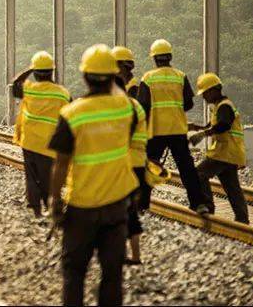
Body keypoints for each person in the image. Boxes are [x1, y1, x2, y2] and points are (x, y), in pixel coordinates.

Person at [48, 44, 141, 307]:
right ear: (114, 76)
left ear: (85, 76)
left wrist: (56, 204)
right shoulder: (127, 109)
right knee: (112, 274)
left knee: (74, 272)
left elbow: (61, 165)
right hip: (116, 206)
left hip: (81, 207)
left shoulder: (72, 114)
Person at [137, 39, 208, 214]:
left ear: (154, 58)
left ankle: (141, 205)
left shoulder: (148, 78)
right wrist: (174, 109)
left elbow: (142, 106)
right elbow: (188, 104)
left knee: (150, 168)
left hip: (156, 130)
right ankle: (198, 204)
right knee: (186, 169)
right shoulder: (180, 76)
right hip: (177, 130)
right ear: (170, 57)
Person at [10, 51, 71, 218]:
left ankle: (36, 210)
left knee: (32, 176)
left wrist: (29, 69)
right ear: (52, 72)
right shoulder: (62, 93)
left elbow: (15, 84)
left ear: (35, 73)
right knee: (48, 177)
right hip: (50, 143)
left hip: (29, 141)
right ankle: (49, 207)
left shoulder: (29, 89)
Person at [189, 73, 249, 224]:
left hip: (224, 152)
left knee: (198, 174)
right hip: (230, 153)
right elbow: (214, 125)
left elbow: (223, 125)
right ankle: (242, 220)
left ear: (215, 90)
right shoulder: (220, 106)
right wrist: (198, 128)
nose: (204, 97)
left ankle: (208, 207)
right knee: (232, 188)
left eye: (205, 93)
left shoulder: (224, 107)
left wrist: (204, 134)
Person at [113, 45, 149, 265]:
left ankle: (129, 254)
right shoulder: (134, 104)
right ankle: (132, 254)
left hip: (126, 163)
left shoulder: (126, 104)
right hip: (136, 161)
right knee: (130, 210)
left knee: (123, 209)